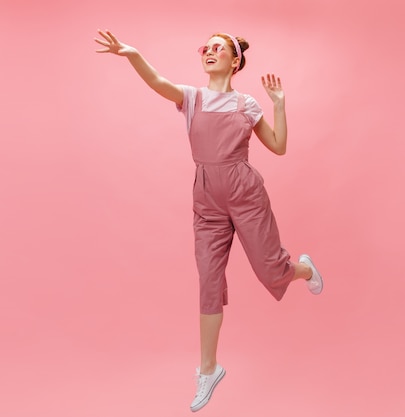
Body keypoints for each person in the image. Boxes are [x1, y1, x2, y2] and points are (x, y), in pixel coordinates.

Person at [94, 29, 324, 412]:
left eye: (219, 48)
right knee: (208, 281)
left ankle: (301, 268)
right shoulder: (191, 97)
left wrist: (279, 105)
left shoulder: (247, 103)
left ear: (235, 62)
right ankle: (208, 369)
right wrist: (132, 54)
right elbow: (157, 82)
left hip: (246, 194)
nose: (210, 51)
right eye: (207, 47)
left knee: (272, 271)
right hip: (207, 199)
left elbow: (279, 147)